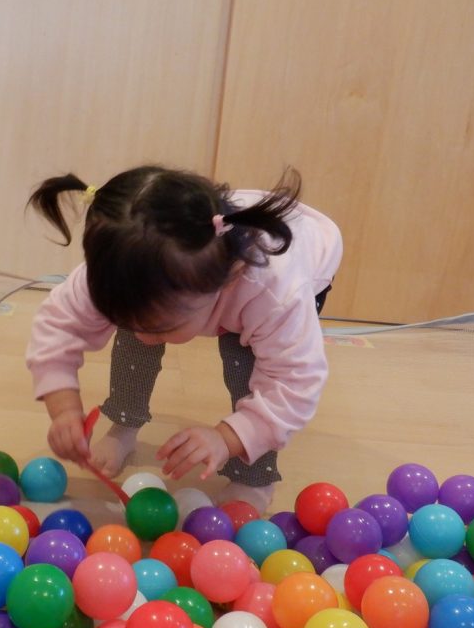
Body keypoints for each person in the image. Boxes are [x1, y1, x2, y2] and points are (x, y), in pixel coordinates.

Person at [25, 165, 342, 512]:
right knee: (133, 337)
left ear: (226, 280)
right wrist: (64, 408)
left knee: (243, 363)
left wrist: (227, 438)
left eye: (162, 327)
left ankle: (254, 475)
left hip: (305, 262)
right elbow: (58, 326)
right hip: (204, 258)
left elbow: (292, 381)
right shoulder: (121, 269)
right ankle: (124, 424)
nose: (146, 338)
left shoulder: (275, 294)